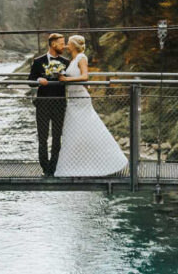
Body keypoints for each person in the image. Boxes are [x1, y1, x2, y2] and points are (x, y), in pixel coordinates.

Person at [53, 35, 129, 177]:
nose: (66, 46)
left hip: (81, 100)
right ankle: (78, 164)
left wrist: (66, 79)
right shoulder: (73, 59)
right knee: (74, 132)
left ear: (74, 45)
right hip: (72, 99)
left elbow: (85, 77)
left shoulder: (82, 58)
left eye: (68, 44)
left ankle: (111, 160)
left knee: (89, 129)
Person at [27, 33, 70, 176]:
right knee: (43, 137)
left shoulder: (66, 62)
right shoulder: (38, 61)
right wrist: (39, 79)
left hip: (59, 103)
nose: (64, 46)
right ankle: (45, 167)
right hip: (43, 103)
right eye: (61, 43)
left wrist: (65, 78)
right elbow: (30, 81)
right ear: (53, 44)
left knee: (57, 137)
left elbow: (72, 80)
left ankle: (54, 167)